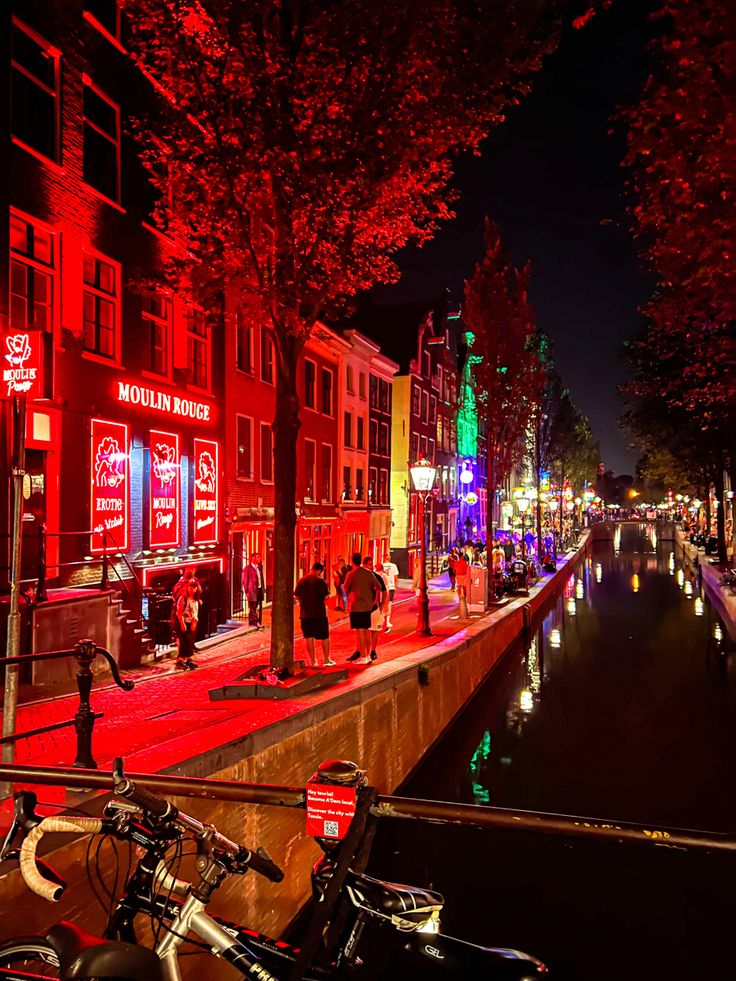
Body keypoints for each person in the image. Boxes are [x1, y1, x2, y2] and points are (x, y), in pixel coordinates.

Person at [294, 562, 335, 667]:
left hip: (305, 614)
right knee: (325, 636)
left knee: (309, 637)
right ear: (319, 571)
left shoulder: (301, 581)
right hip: (319, 613)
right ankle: (326, 659)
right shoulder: (320, 582)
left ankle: (313, 661)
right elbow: (326, 597)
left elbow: (296, 596)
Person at [344, 552, 378, 665]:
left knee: (360, 631)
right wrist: (374, 600)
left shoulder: (351, 574)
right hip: (368, 606)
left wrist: (351, 597)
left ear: (352, 561)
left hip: (357, 606)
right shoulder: (368, 573)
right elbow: (377, 586)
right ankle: (367, 655)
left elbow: (345, 588)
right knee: (366, 630)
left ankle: (363, 656)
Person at [365, 558, 388, 661]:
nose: (371, 567)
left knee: (375, 630)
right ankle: (365, 651)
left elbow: (384, 591)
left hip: (374, 608)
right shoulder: (361, 577)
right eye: (369, 565)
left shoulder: (377, 577)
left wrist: (382, 604)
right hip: (364, 608)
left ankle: (373, 651)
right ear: (364, 565)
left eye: (371, 565)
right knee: (365, 631)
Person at [174, 581, 199, 670]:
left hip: (191, 623)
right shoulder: (183, 599)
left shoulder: (195, 600)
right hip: (184, 622)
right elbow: (179, 612)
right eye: (190, 587)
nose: (192, 590)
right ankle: (179, 661)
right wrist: (182, 623)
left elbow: (195, 612)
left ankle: (188, 659)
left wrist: (194, 622)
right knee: (183, 642)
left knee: (189, 642)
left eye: (194, 588)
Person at [242, 553, 265, 626]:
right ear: (253, 558)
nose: (259, 559)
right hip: (252, 590)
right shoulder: (247, 569)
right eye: (258, 557)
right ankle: (256, 621)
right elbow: (244, 580)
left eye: (259, 557)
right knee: (252, 606)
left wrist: (263, 588)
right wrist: (246, 591)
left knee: (255, 606)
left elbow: (261, 578)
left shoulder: (259, 567)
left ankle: (251, 621)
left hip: (259, 589)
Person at [382, 552, 400, 633]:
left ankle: (382, 620)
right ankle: (387, 621)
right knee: (389, 604)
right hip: (391, 587)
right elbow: (396, 577)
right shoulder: (393, 566)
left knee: (382, 603)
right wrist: (395, 586)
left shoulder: (381, 565)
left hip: (382, 587)